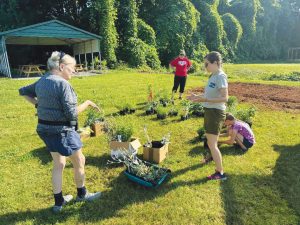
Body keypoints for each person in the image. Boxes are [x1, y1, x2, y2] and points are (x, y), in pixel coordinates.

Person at [19, 51, 101, 212]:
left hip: (44, 129)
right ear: (62, 66)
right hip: (62, 131)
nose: (74, 71)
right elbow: (72, 114)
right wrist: (88, 103)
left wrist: (38, 104)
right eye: (72, 68)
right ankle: (82, 194)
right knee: (79, 161)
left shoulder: (42, 81)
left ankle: (59, 203)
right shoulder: (63, 84)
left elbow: (23, 91)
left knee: (59, 163)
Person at [187, 51, 228, 180]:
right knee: (212, 142)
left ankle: (220, 173)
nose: (205, 67)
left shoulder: (220, 76)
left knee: (212, 144)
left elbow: (225, 98)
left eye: (207, 64)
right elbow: (209, 95)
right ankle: (213, 159)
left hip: (215, 113)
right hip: (211, 111)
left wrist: (204, 100)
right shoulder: (213, 75)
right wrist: (197, 97)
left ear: (215, 63)